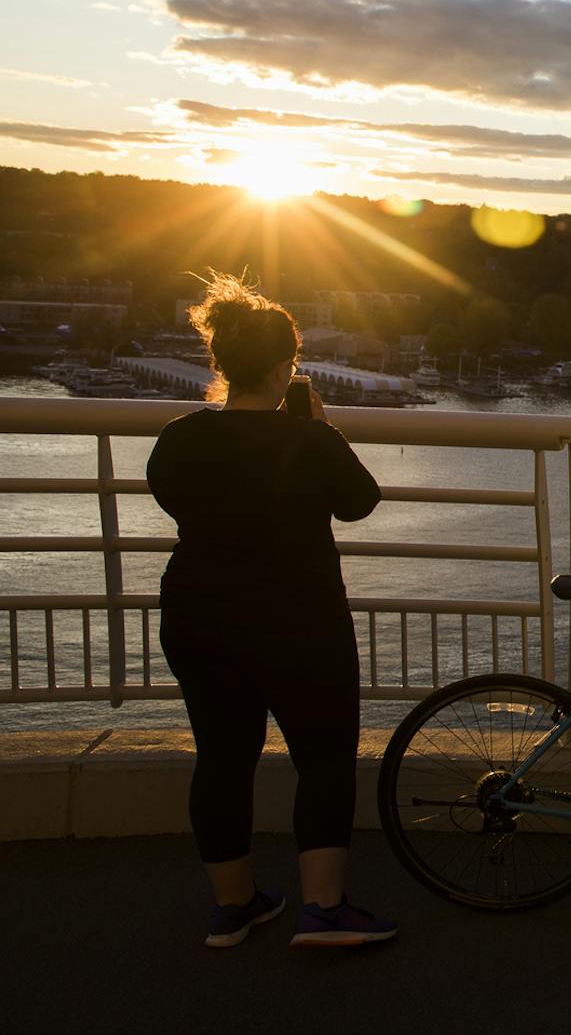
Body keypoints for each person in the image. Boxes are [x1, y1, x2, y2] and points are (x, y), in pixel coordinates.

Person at [147, 272, 396, 948]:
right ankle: (323, 907)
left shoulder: (178, 438)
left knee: (222, 757)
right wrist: (320, 430)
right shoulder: (309, 442)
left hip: (198, 616)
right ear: (289, 365)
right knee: (322, 758)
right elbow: (360, 500)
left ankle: (235, 905)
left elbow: (171, 496)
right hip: (301, 621)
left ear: (219, 363)